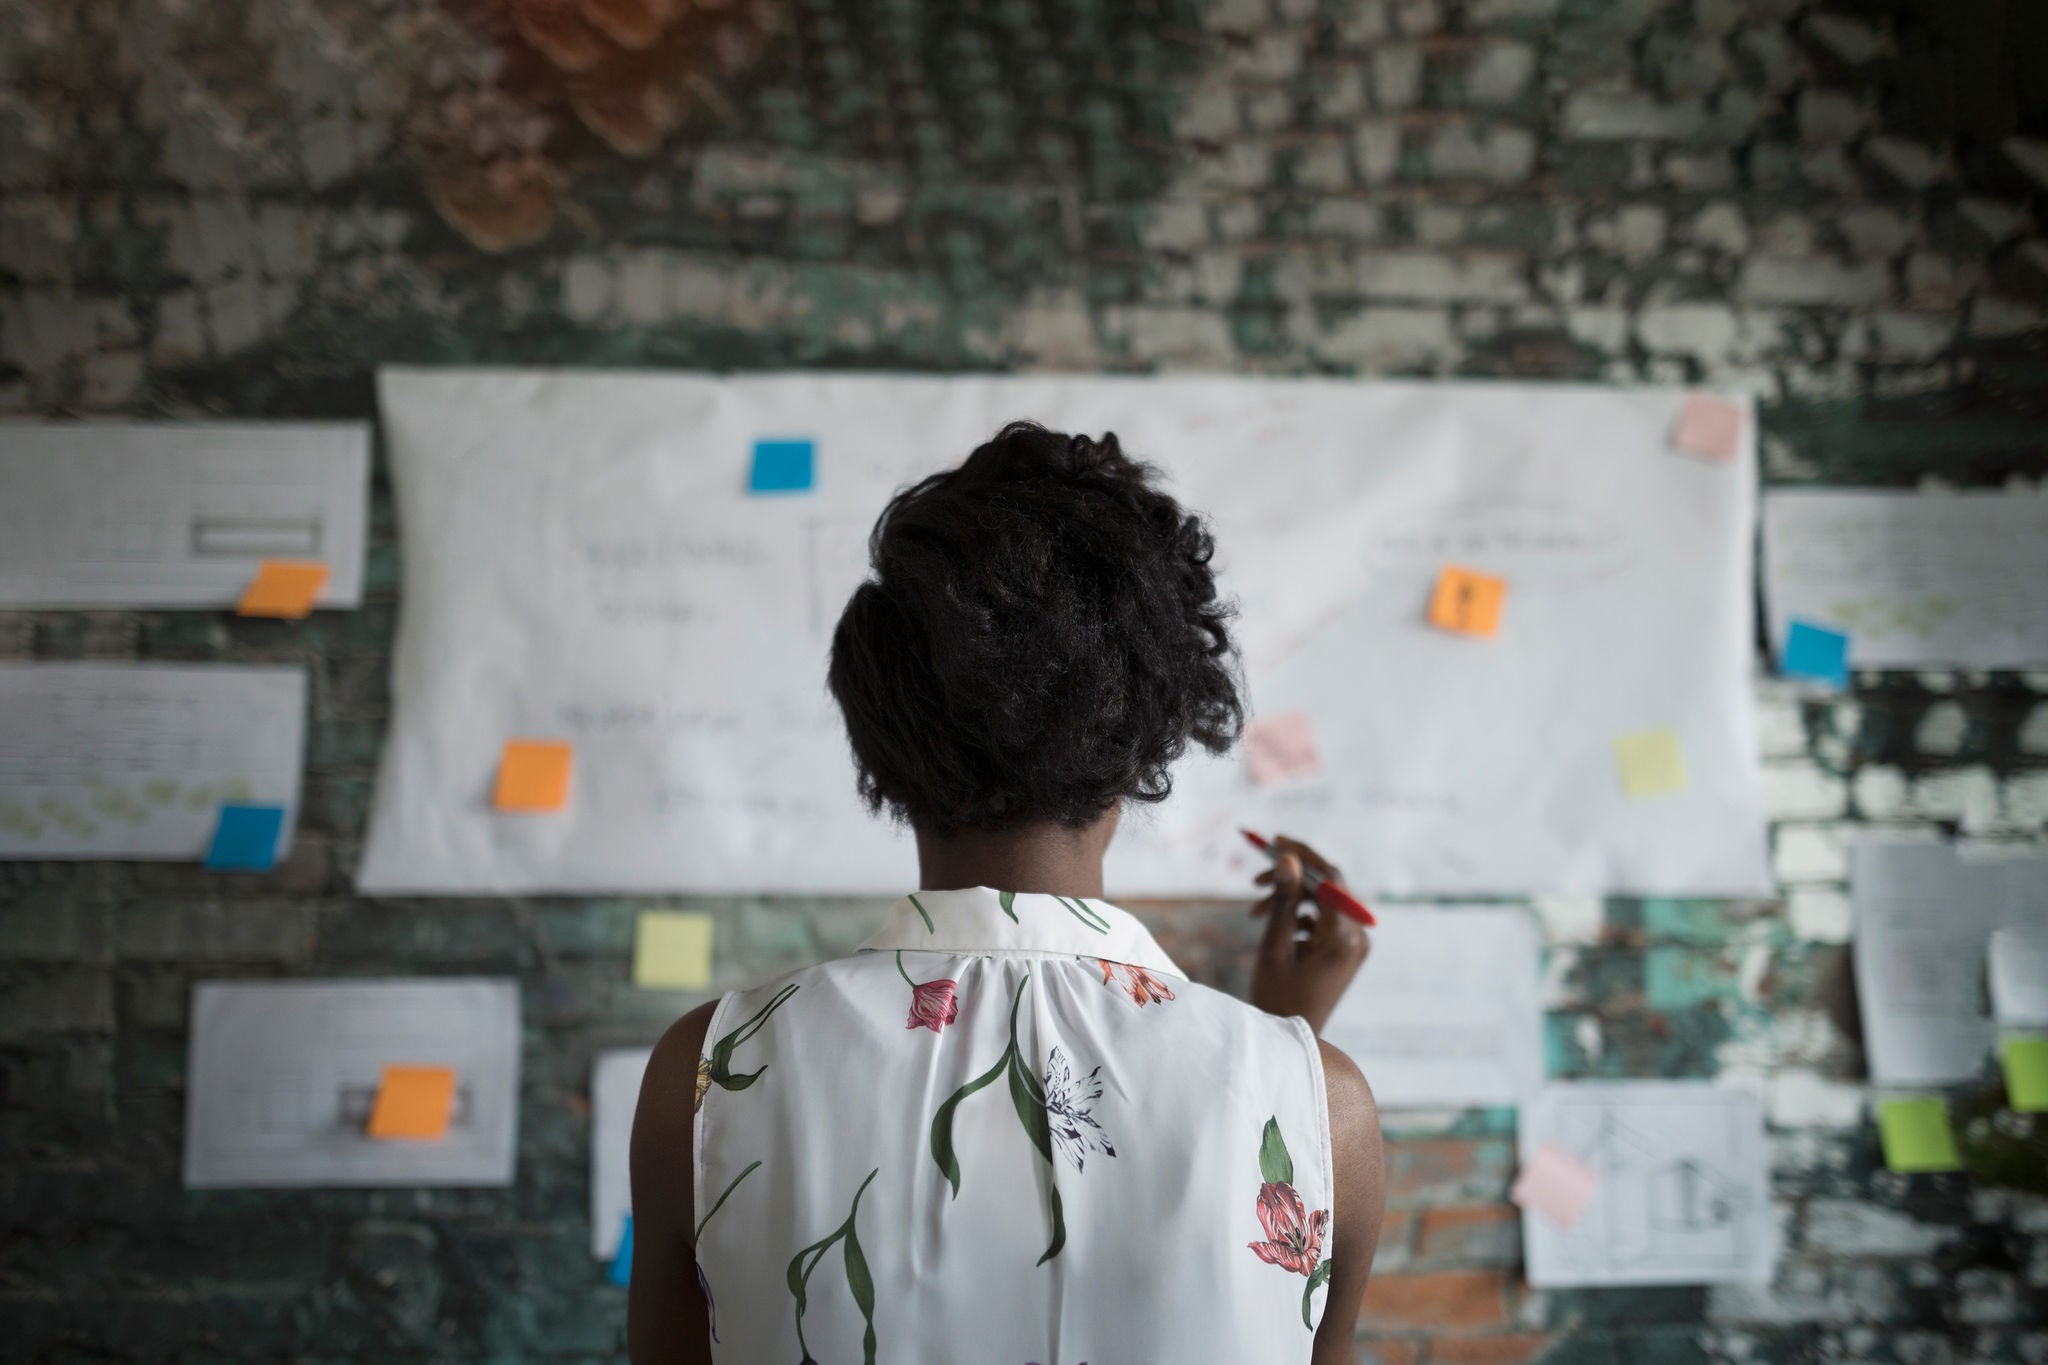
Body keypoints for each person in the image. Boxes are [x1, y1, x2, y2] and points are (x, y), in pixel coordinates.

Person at [629, 422, 1383, 1364]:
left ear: (883, 732)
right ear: (1149, 734)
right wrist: (1285, 1059)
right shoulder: (1329, 1111)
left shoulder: (699, 1080)